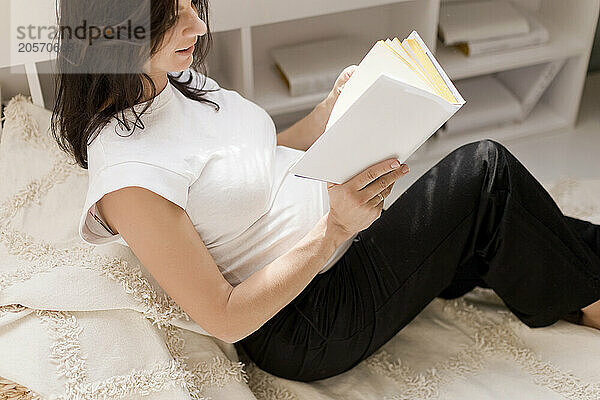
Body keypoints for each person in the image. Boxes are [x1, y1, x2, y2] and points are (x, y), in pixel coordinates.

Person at [51, 0, 600, 382]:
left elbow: (258, 163)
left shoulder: (171, 80)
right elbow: (222, 315)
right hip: (310, 320)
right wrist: (333, 229)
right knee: (485, 174)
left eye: (193, 3)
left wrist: (329, 114)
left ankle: (574, 292)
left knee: (507, 224)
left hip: (345, 242)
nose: (196, 25)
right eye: (171, 18)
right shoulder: (127, 176)